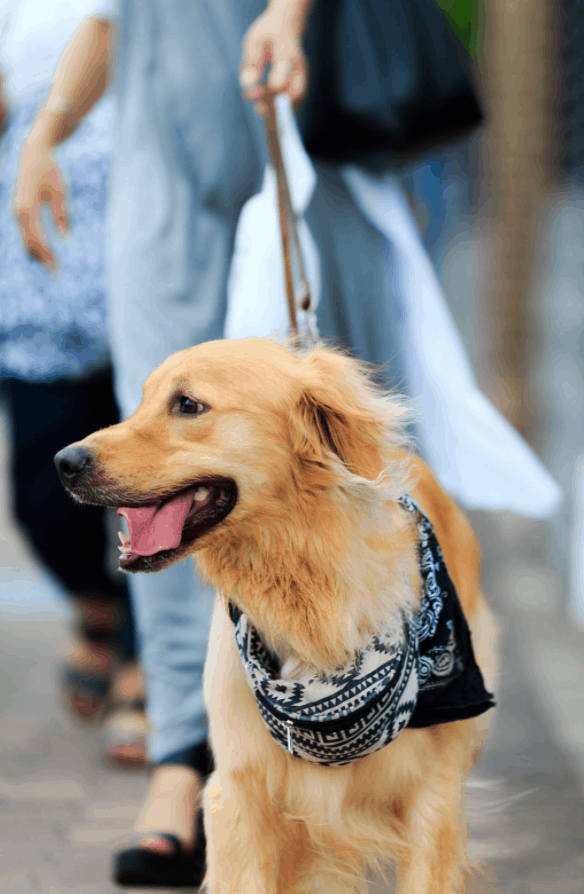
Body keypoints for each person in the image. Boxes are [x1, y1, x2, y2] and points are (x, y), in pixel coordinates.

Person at [0, 2, 146, 767]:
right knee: (40, 492)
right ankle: (97, 608)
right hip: (40, 259)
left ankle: (141, 658)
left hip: (153, 239)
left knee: (154, 475)